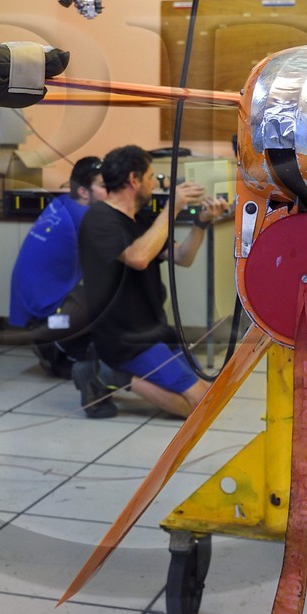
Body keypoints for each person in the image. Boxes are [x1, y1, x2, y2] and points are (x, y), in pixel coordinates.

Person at [75, 144, 229, 418]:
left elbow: (182, 257)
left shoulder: (141, 218)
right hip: (125, 339)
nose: (153, 184)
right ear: (134, 180)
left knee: (210, 392)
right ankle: (115, 374)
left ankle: (119, 374)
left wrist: (201, 223)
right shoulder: (99, 219)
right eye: (149, 177)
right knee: (201, 407)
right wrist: (172, 208)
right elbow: (138, 257)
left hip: (155, 330)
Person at [7, 156, 106, 378]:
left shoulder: (61, 203)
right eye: (103, 186)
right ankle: (61, 350)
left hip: (32, 310)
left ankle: (60, 345)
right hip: (45, 314)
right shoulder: (84, 216)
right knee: (117, 291)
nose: (109, 192)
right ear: (83, 192)